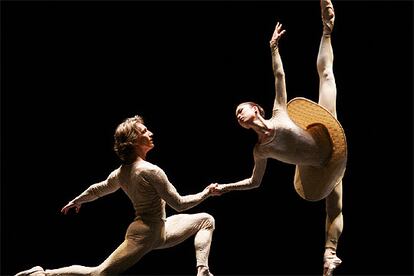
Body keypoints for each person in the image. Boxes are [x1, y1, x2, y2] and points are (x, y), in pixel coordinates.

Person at [210, 1, 346, 276]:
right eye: (236, 115)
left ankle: (327, 29)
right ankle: (330, 255)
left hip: (324, 132)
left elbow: (279, 75)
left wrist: (273, 48)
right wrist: (225, 188)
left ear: (255, 109)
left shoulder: (279, 112)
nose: (238, 115)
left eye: (241, 109)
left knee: (327, 74)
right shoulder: (260, 151)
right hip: (320, 167)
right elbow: (254, 182)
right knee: (333, 209)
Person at [16, 115, 217, 276]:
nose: (151, 133)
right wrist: (206, 192)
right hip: (145, 235)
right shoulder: (150, 171)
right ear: (133, 140)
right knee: (99, 273)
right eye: (144, 131)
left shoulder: (121, 173)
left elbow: (98, 189)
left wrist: (77, 200)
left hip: (160, 229)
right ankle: (43, 274)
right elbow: (180, 204)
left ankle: (203, 271)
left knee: (206, 220)